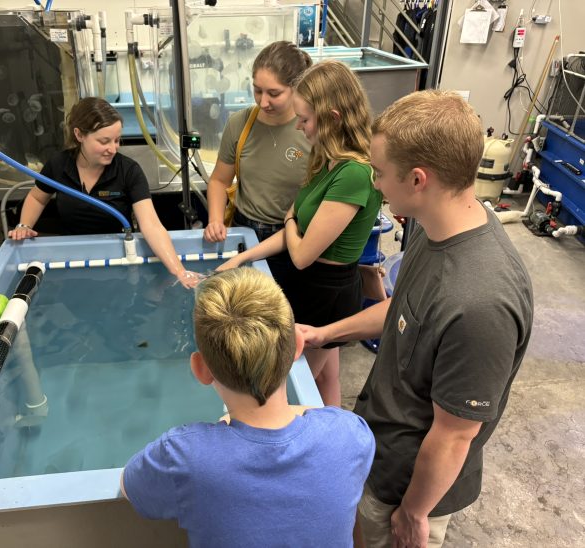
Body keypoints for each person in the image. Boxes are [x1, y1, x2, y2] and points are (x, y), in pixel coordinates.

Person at [298, 90, 534, 548]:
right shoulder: (433, 229)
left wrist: (414, 511)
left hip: (404, 487)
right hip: (379, 448)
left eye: (380, 173)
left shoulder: (481, 304)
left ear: (419, 179)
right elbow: (404, 308)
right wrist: (322, 334)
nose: (375, 184)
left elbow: (454, 436)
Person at [120, 267, 375, 547]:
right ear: (297, 345)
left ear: (201, 370)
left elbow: (130, 486)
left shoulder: (184, 456)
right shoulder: (350, 433)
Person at [218, 60, 382, 407]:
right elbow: (296, 230)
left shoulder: (354, 172)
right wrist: (244, 256)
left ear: (333, 117)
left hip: (327, 294)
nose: (299, 125)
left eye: (305, 119)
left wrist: (290, 221)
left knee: (295, 386)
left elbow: (303, 254)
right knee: (326, 377)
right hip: (311, 286)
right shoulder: (327, 160)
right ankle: (335, 447)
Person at [8, 97, 200, 288]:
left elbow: (151, 225)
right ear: (79, 135)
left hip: (118, 262)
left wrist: (179, 271)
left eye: (117, 140)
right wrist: (24, 225)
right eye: (104, 141)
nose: (112, 149)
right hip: (72, 260)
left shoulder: (128, 171)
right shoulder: (58, 165)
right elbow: (37, 198)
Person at [203, 41, 312, 286]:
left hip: (290, 239)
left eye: (274, 94)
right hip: (243, 232)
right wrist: (215, 219)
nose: (263, 102)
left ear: (297, 88)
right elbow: (220, 180)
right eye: (257, 90)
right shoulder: (240, 124)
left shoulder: (312, 131)